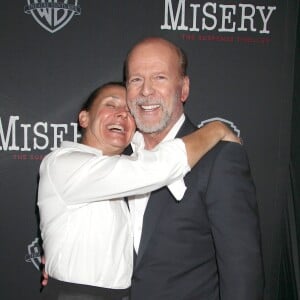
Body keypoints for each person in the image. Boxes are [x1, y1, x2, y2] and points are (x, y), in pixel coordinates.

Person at [38, 81, 240, 300]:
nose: (122, 114)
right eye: (111, 105)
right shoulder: (64, 164)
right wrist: (216, 129)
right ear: (84, 118)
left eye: (129, 111)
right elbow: (157, 167)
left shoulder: (120, 172)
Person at [124, 37, 264, 300]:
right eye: (136, 80)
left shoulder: (220, 158)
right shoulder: (114, 160)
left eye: (160, 78)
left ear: (184, 88)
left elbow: (241, 274)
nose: (145, 91)